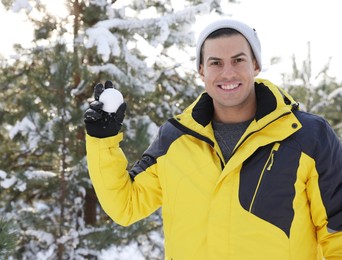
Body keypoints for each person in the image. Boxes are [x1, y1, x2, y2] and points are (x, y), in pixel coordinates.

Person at [84, 18, 342, 259]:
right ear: (201, 70)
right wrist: (102, 139)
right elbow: (126, 205)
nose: (227, 73)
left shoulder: (307, 136)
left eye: (238, 60)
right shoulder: (175, 139)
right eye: (216, 62)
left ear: (255, 64)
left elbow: (337, 230)